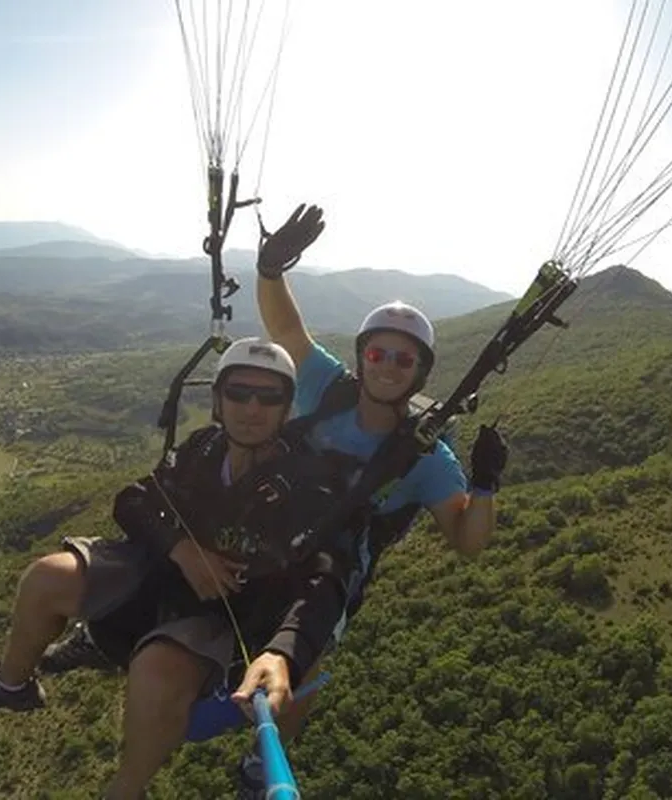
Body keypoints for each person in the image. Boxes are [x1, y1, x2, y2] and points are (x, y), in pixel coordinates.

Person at [0, 337, 360, 800]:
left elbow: (325, 576)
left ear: (286, 408)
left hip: (224, 612)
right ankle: (11, 684)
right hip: (161, 572)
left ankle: (126, 789)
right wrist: (181, 548)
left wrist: (283, 653)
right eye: (238, 393)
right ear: (218, 400)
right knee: (46, 577)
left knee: (155, 672)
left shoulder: (306, 484)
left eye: (268, 396)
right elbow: (135, 499)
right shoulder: (204, 449)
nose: (251, 408)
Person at [232, 204, 509, 797]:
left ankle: (262, 765)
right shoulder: (328, 387)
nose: (386, 367)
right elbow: (287, 332)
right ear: (361, 357)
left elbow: (468, 540)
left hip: (335, 561)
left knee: (306, 663)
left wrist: (484, 486)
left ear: (419, 370)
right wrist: (271, 270)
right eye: (378, 354)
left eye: (402, 359)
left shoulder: (426, 455)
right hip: (273, 520)